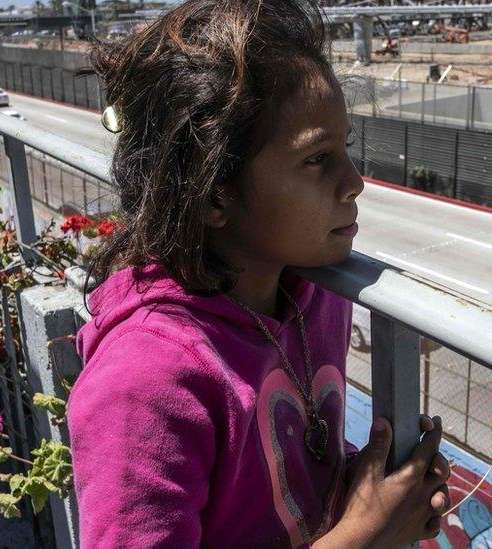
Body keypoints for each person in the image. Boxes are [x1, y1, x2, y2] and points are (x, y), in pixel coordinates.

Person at [67, 0, 451, 546]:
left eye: (347, 146)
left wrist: (363, 487)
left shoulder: (314, 297)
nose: (354, 181)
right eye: (317, 158)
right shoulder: (146, 382)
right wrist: (368, 532)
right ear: (213, 193)